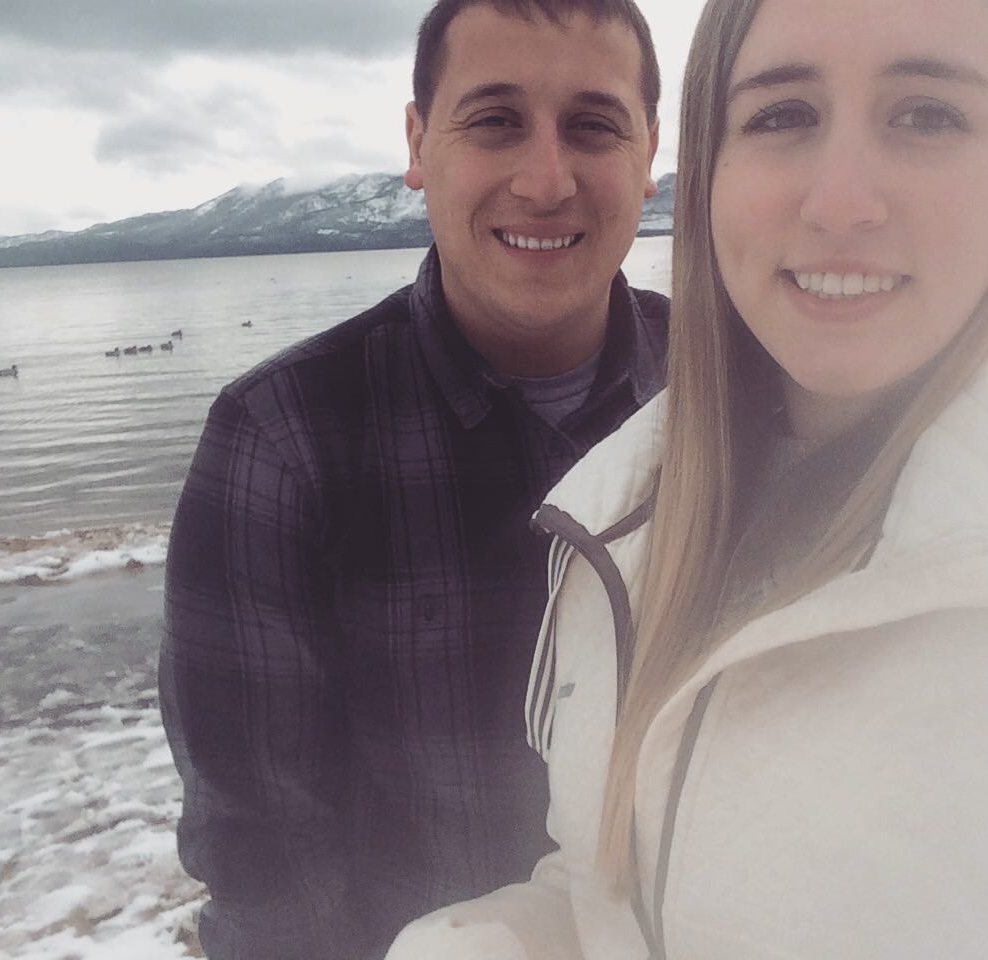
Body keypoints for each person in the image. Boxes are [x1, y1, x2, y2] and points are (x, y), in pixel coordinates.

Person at [386, 0, 988, 955]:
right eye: (781, 115)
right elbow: (616, 893)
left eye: (927, 115)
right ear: (711, 171)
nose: (840, 202)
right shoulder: (622, 518)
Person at [159, 1, 664, 957]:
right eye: (495, 121)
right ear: (419, 143)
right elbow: (265, 861)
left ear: (649, 154)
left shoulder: (729, 393)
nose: (546, 179)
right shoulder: (284, 439)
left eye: (594, 126)